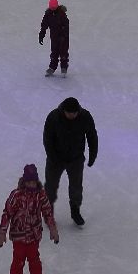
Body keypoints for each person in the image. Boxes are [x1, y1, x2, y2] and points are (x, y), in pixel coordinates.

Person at [0, 164, 59, 274]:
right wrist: (2, 232)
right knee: (18, 261)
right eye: (29, 181)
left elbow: (48, 212)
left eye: (33, 181)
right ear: (24, 181)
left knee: (34, 260)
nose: (31, 184)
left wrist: (53, 229)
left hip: (34, 236)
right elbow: (7, 213)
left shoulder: (40, 195)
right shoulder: (16, 195)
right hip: (19, 236)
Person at [41, 97, 98, 226]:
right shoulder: (54, 117)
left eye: (74, 113)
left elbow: (92, 136)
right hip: (55, 159)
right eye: (69, 113)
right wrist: (53, 158)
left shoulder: (85, 116)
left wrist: (92, 154)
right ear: (64, 111)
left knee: (76, 187)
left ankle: (75, 211)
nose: (72, 115)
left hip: (76, 159)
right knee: (50, 186)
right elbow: (47, 140)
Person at [39, 0, 69, 76]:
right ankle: (52, 68)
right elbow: (44, 25)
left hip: (63, 37)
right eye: (51, 7)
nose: (52, 9)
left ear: (56, 6)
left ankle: (64, 68)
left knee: (63, 53)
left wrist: (64, 35)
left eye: (54, 7)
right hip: (54, 37)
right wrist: (41, 35)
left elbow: (66, 25)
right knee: (54, 52)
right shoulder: (48, 14)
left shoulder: (61, 13)